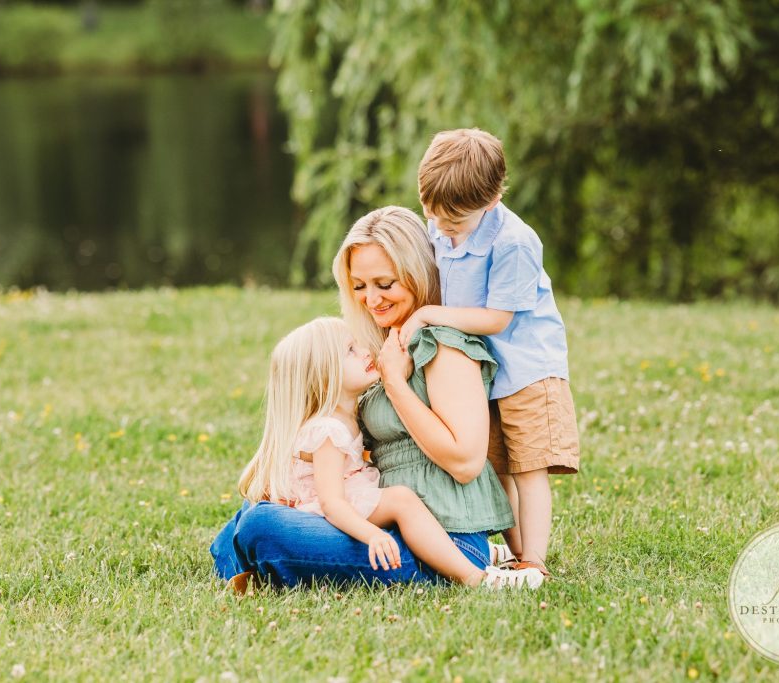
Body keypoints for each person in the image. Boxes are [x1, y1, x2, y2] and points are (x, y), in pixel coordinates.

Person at [211, 206, 521, 588]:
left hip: (445, 542)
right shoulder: (384, 342)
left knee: (260, 526)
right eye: (359, 286)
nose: (371, 300)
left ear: (416, 273)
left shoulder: (442, 345)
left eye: (384, 283)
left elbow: (466, 462)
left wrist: (394, 383)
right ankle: (246, 571)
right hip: (390, 527)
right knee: (254, 510)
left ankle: (254, 567)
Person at [231, 316, 543, 590]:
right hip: (339, 508)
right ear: (325, 375)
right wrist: (372, 535)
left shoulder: (346, 418)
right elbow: (332, 502)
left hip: (359, 506)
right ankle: (477, 570)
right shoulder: (327, 430)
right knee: (399, 500)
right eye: (350, 351)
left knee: (257, 523)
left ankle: (477, 566)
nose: (365, 351)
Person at [398, 128, 581, 577]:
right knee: (495, 464)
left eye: (453, 222)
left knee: (528, 466)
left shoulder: (513, 242)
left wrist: (427, 316)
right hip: (478, 370)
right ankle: (517, 552)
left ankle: (533, 562)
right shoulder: (441, 227)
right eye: (433, 215)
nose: (441, 228)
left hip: (526, 370)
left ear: (493, 198)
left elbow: (498, 319)